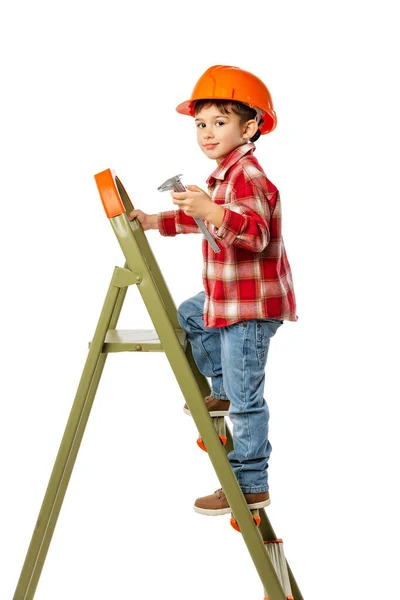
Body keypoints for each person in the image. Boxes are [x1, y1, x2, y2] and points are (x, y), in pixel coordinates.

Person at [129, 65, 297, 515]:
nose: (206, 132)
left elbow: (255, 233)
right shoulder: (223, 177)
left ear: (251, 126)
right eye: (200, 124)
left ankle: (250, 484)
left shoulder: (249, 176)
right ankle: (219, 387)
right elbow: (198, 219)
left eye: (220, 122)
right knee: (188, 315)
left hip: (251, 306)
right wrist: (153, 221)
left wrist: (212, 208)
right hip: (227, 296)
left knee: (246, 403)